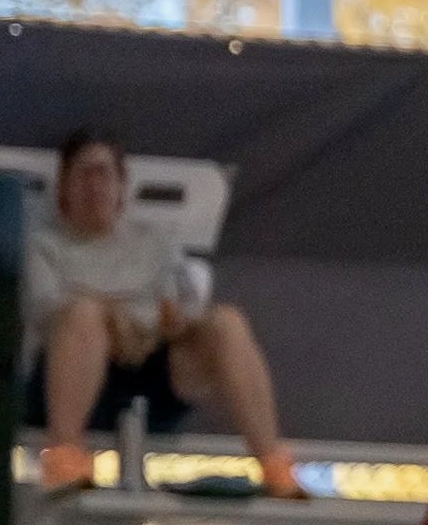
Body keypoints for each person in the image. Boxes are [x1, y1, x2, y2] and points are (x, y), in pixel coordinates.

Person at [23, 127, 296, 496]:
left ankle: (274, 465)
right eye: (84, 173)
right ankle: (66, 459)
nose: (95, 184)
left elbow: (176, 305)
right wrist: (108, 317)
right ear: (64, 189)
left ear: (122, 188)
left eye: (105, 173)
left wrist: (148, 326)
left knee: (226, 322)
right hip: (72, 374)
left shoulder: (155, 243)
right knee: (82, 315)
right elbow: (42, 309)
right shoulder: (42, 246)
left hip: (152, 373)